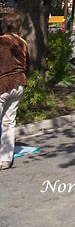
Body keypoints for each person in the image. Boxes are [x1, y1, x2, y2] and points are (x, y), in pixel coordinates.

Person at [0, 12, 29, 170]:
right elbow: (28, 64)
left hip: (2, 84)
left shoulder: (1, 41)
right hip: (19, 83)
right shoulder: (22, 42)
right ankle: (5, 159)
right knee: (9, 122)